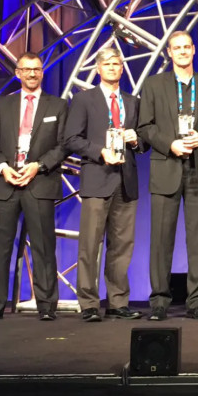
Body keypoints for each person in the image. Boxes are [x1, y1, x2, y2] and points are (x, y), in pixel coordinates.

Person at [137, 31, 198, 321]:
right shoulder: (153, 85)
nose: (183, 51)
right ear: (169, 53)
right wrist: (169, 144)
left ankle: (196, 301)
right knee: (161, 240)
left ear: (194, 50)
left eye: (187, 47)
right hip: (166, 167)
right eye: (177, 48)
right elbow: (144, 126)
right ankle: (159, 301)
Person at [0, 52, 67, 321]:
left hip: (39, 182)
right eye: (26, 69)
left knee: (43, 247)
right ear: (17, 73)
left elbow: (63, 145)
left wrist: (38, 165)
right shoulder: (2, 105)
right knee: (0, 247)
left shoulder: (58, 106)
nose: (32, 74)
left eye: (36, 69)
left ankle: (47, 306)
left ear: (42, 72)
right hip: (6, 183)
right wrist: (3, 168)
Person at [63, 46, 144, 322]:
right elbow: (71, 139)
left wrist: (136, 139)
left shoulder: (132, 101)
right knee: (90, 245)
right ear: (98, 68)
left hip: (126, 180)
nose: (112, 67)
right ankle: (88, 303)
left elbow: (143, 142)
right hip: (97, 177)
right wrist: (100, 151)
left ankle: (117, 302)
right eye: (107, 63)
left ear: (122, 68)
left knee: (122, 245)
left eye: (116, 63)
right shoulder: (84, 100)